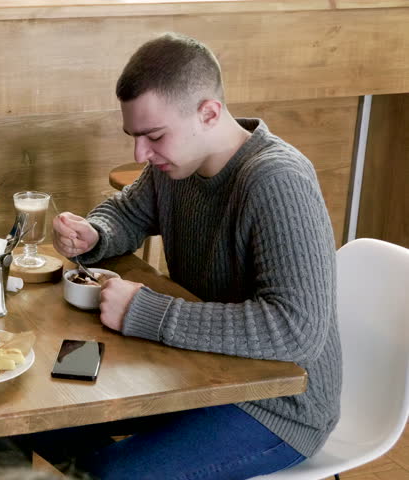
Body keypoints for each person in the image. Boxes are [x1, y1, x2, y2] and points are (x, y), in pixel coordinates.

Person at [47, 33, 341, 479]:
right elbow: (126, 212)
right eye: (134, 136)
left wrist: (148, 312)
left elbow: (297, 331)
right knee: (31, 421)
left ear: (208, 113)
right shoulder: (177, 164)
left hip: (279, 407)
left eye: (154, 136)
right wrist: (95, 234)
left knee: (104, 474)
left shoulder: (277, 181)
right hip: (197, 374)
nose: (140, 153)